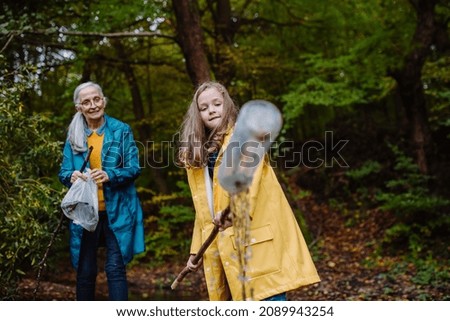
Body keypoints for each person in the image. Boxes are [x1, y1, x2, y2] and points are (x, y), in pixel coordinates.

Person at [177, 81, 320, 301]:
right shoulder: (197, 157)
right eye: (204, 108)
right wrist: (196, 251)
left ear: (228, 106)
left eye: (217, 104)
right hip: (224, 251)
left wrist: (236, 211)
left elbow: (249, 184)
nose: (211, 110)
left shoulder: (246, 139)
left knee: (266, 299)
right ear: (197, 115)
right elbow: (203, 211)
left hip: (256, 243)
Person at [58, 81, 145, 300]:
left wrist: (110, 175)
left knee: (115, 269)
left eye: (97, 99)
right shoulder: (73, 135)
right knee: (85, 271)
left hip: (117, 210)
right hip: (86, 213)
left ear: (103, 100)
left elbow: (134, 167)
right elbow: (64, 171)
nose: (93, 105)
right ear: (79, 107)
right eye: (86, 102)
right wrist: (71, 176)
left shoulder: (121, 130)